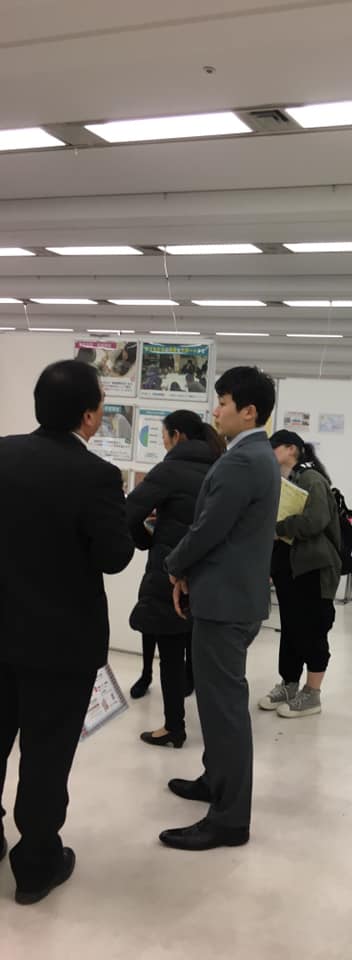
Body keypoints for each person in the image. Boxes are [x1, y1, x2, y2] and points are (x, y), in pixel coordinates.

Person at [0, 360, 134, 904]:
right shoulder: (96, 475)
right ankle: (35, 866)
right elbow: (113, 556)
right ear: (90, 415)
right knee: (46, 756)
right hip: (59, 646)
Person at [159, 366, 280, 852]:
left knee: (225, 709)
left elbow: (209, 528)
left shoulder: (243, 461)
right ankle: (216, 780)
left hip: (225, 602)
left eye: (223, 403)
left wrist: (174, 565)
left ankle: (229, 820)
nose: (215, 411)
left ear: (248, 411)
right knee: (215, 703)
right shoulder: (254, 456)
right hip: (231, 595)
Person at [125, 411, 224, 748]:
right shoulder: (220, 467)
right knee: (203, 653)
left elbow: (129, 512)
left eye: (164, 435)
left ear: (177, 435)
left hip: (172, 573)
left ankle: (173, 727)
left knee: (169, 652)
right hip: (211, 574)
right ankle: (212, 734)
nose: (164, 442)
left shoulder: (170, 470)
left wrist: (147, 540)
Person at [260, 431, 342, 717]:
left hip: (313, 567)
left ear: (291, 449)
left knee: (313, 628)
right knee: (291, 628)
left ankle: (312, 693)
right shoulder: (285, 480)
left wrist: (278, 528)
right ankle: (289, 684)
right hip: (289, 565)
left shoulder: (312, 480)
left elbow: (315, 521)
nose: (269, 452)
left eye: (274, 447)